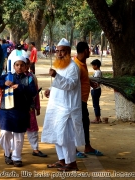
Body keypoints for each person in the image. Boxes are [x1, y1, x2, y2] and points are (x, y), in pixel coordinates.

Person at [41, 38, 85, 171]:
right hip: (56, 106)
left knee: (66, 137)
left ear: (68, 52)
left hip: (67, 108)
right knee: (57, 135)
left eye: (62, 51)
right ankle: (62, 160)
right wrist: (51, 88)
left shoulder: (73, 67)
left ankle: (71, 163)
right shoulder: (60, 65)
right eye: (57, 51)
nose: (59, 54)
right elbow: (59, 83)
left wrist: (56, 77)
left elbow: (70, 84)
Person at [0, 55, 37, 167]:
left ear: (26, 67)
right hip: (6, 110)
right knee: (4, 133)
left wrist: (20, 87)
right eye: (17, 65)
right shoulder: (7, 76)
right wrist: (4, 83)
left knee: (19, 137)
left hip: (21, 111)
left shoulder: (29, 78)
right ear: (14, 66)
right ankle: (7, 153)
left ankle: (17, 158)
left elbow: (33, 91)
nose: (19, 67)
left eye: (22, 65)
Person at [73, 41, 103, 156]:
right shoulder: (75, 65)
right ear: (85, 50)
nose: (90, 51)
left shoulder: (82, 63)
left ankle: (87, 146)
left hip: (83, 100)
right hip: (77, 101)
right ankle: (74, 149)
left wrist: (90, 82)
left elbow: (83, 78)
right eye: (89, 49)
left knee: (85, 123)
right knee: (76, 124)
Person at [25, 58, 47, 157]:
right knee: (16, 130)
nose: (23, 67)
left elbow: (36, 94)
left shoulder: (32, 77)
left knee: (33, 129)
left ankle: (35, 149)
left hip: (30, 108)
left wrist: (37, 107)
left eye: (25, 64)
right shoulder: (12, 77)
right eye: (19, 65)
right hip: (16, 109)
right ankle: (12, 150)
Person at [90, 59, 102, 124]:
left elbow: (95, 81)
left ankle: (97, 118)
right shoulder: (98, 72)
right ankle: (98, 117)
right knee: (96, 104)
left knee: (95, 104)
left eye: (93, 65)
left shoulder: (97, 72)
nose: (92, 67)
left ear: (96, 65)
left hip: (95, 90)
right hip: (97, 89)